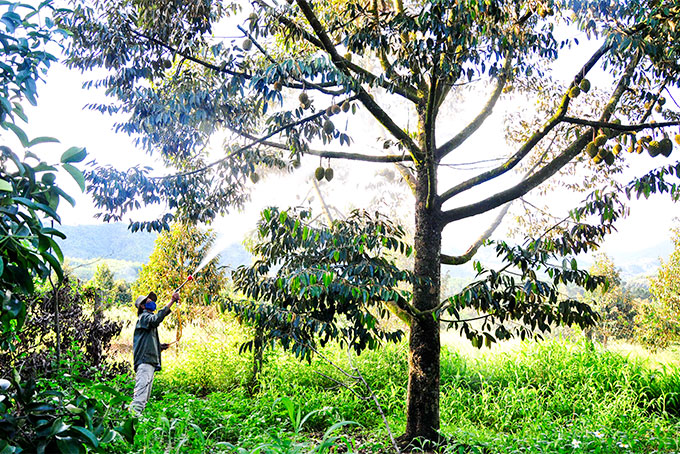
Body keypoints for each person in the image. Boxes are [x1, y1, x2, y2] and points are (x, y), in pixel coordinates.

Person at [130, 290, 179, 416]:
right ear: (142, 306)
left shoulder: (146, 321)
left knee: (144, 399)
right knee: (140, 399)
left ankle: (136, 425)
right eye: (148, 301)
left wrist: (159, 347)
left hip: (148, 363)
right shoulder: (145, 317)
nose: (152, 302)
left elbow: (147, 342)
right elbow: (156, 319)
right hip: (145, 363)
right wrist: (172, 301)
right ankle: (128, 425)